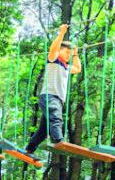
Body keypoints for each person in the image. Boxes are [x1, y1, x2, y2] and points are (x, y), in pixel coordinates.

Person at [25, 24, 82, 155]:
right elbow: (53, 48)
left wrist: (75, 54)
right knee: (56, 117)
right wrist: (61, 33)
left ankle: (29, 149)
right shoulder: (53, 59)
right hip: (50, 96)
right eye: (66, 52)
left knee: (43, 131)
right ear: (60, 50)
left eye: (69, 54)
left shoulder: (66, 67)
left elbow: (78, 69)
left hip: (57, 98)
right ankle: (58, 140)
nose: (68, 56)